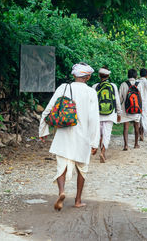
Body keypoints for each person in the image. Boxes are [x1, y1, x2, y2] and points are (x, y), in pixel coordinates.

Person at [39, 62, 100, 210]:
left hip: (63, 133)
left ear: (74, 75)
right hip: (83, 136)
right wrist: (94, 142)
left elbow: (49, 109)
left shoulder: (63, 87)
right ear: (88, 77)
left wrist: (43, 130)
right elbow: (94, 119)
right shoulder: (91, 92)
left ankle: (61, 191)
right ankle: (78, 200)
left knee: (62, 166)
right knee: (82, 168)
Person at [93, 66, 122, 163]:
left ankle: (97, 148)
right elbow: (117, 101)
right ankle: (103, 152)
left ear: (99, 75)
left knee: (99, 134)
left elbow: (92, 102)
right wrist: (119, 113)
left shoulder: (95, 86)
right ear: (108, 75)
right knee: (107, 134)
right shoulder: (113, 86)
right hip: (110, 114)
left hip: (98, 114)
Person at [119, 69, 144, 150]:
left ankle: (126, 145)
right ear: (136, 76)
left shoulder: (123, 84)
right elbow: (141, 98)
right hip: (136, 108)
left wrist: (119, 109)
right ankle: (136, 144)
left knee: (126, 127)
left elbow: (120, 98)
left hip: (125, 109)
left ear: (128, 75)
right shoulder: (139, 84)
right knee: (137, 126)